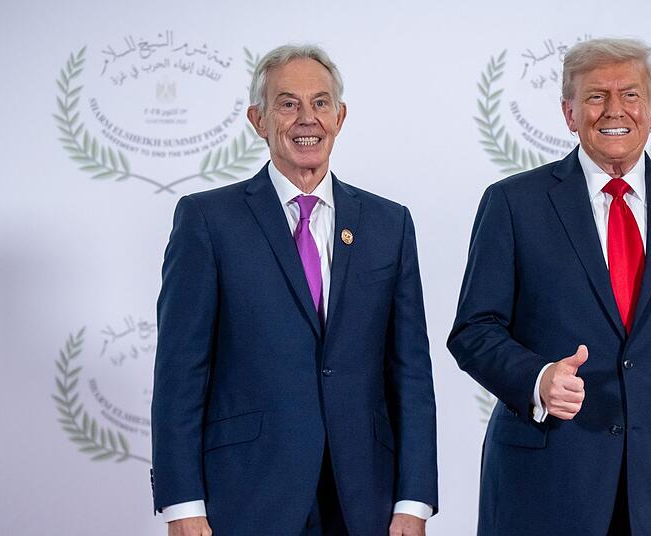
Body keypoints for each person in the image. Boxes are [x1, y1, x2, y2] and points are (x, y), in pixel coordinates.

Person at [448, 37, 651, 536]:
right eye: (595, 96)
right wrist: (538, 378)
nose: (614, 110)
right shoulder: (513, 204)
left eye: (630, 95)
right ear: (569, 113)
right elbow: (474, 330)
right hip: (546, 484)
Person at [151, 44, 438, 536]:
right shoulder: (207, 220)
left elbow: (410, 372)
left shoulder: (389, 224)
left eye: (321, 103)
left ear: (340, 117)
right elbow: (181, 372)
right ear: (258, 120)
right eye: (288, 104)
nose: (308, 118)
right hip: (246, 496)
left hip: (363, 499)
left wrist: (414, 501)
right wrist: (182, 505)